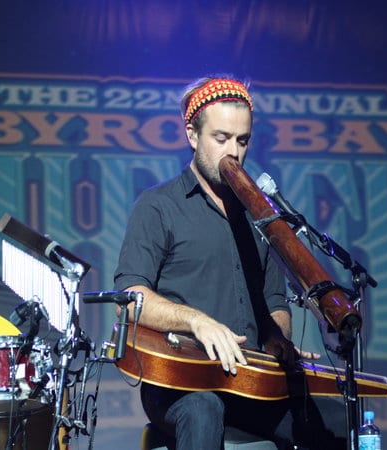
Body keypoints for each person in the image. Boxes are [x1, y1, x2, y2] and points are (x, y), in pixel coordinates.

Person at [113, 76, 344, 449]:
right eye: (220, 139)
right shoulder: (158, 206)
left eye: (242, 140)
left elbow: (275, 303)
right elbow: (130, 296)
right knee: (204, 409)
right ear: (192, 135)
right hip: (180, 382)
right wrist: (197, 321)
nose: (233, 152)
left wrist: (276, 338)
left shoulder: (261, 215)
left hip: (251, 380)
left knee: (335, 420)